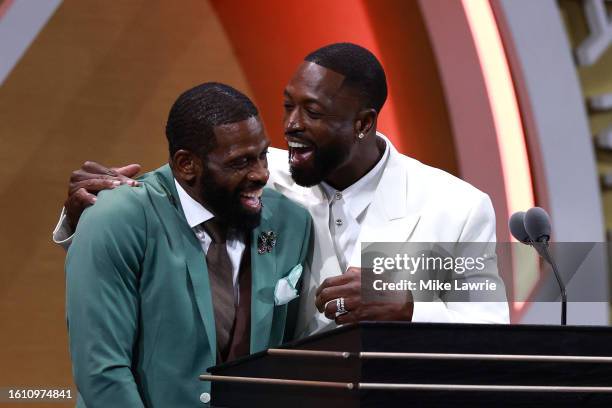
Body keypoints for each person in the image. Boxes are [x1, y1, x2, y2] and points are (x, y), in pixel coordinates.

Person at [55, 43, 509, 341]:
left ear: (364, 123)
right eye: (288, 105)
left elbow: (492, 330)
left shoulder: (453, 207)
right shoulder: (255, 172)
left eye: (311, 111)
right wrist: (89, 213)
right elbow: (157, 210)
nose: (290, 126)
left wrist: (407, 309)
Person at [65, 82, 312, 407]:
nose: (261, 174)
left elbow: (288, 362)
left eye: (263, 155)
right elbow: (102, 371)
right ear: (186, 165)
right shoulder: (119, 217)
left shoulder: (289, 221)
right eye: (240, 162)